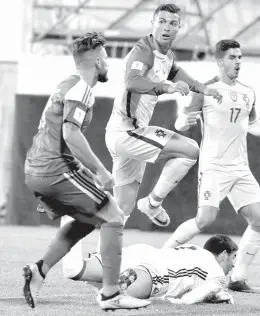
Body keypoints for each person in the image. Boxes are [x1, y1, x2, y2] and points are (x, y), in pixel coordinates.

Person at [22, 32, 150, 311]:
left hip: (39, 169)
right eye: (105, 57)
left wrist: (83, 173)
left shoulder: (66, 83)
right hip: (53, 170)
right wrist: (101, 171)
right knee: (114, 215)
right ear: (95, 60)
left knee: (89, 219)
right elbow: (70, 133)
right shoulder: (81, 88)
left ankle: (39, 270)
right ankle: (111, 294)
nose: (108, 63)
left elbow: (56, 134)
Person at [163, 39, 260, 292]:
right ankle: (162, 257)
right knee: (204, 220)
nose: (238, 61)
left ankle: (237, 277)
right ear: (219, 61)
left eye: (240, 57)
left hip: (240, 168)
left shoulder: (248, 91)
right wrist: (185, 122)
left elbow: (253, 124)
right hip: (213, 167)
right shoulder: (204, 89)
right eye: (233, 57)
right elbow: (181, 123)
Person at [105, 3, 222, 228]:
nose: (166, 27)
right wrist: (168, 88)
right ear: (152, 23)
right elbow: (132, 81)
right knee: (191, 150)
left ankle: (101, 256)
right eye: (162, 21)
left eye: (173, 23)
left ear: (179, 27)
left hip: (124, 135)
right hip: (128, 132)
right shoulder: (144, 50)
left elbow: (176, 72)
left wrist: (203, 88)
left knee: (121, 210)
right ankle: (152, 203)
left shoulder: (165, 55)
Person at [62, 233, 238, 305]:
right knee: (112, 298)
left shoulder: (195, 252)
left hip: (142, 252)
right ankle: (117, 284)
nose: (234, 265)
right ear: (223, 255)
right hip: (155, 273)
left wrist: (214, 295)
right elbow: (189, 299)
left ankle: (71, 217)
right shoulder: (217, 274)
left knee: (74, 269)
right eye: (233, 257)